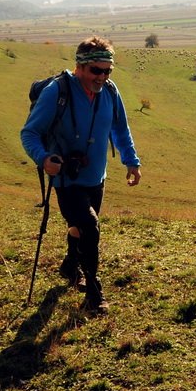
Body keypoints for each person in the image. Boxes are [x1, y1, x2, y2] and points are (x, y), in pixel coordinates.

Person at [20, 37, 141, 312]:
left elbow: (120, 129)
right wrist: (43, 158)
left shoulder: (110, 91)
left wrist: (131, 161)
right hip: (66, 178)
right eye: (96, 70)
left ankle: (70, 266)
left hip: (97, 176)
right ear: (80, 67)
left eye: (107, 70)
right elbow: (29, 133)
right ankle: (94, 293)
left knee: (79, 229)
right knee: (90, 226)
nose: (102, 76)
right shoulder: (56, 91)